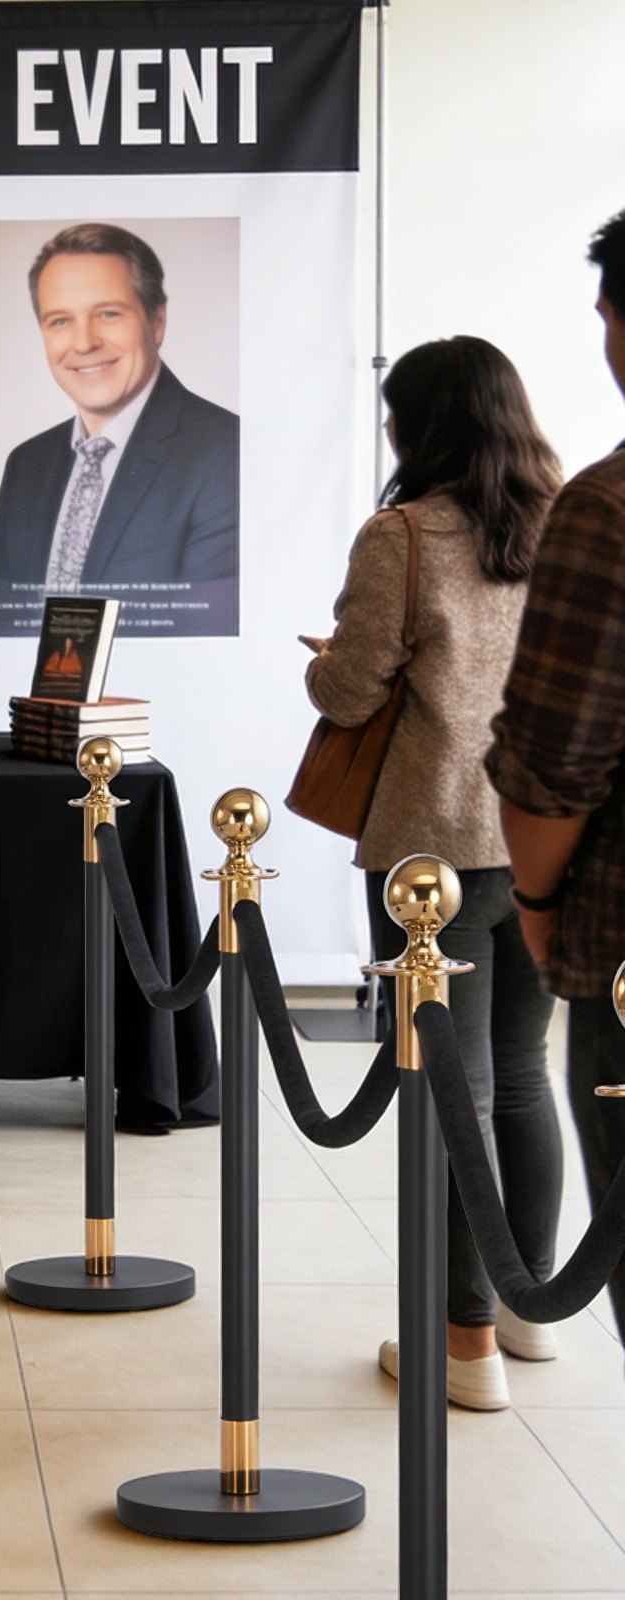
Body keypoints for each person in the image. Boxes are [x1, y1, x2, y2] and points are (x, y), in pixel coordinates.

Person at [305, 335, 565, 1410]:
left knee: (454, 1095)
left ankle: (463, 1347)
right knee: (522, 1077)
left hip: (435, 851)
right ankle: (529, 1307)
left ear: (420, 427)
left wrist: (325, 662)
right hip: (545, 841)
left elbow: (348, 692)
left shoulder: (404, 535)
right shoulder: (569, 523)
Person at [487, 207, 625, 1348]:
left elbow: (555, 757)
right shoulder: (559, 498)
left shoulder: (609, 507)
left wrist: (539, 903)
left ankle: (496, 1312)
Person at [0, 222, 239, 634]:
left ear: (157, 322)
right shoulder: (27, 464)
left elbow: (204, 629)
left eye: (108, 314)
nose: (84, 343)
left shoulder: (226, 451)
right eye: (60, 321)